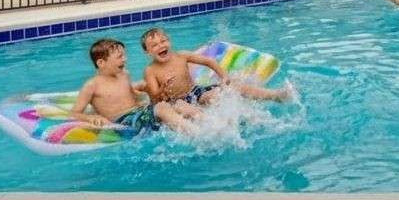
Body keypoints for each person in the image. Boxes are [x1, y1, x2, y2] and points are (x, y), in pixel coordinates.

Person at [69, 38, 198, 135]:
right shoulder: (92, 85)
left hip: (139, 113)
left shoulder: (124, 74)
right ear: (101, 63)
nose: (125, 59)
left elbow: (131, 95)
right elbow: (74, 114)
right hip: (125, 122)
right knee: (162, 107)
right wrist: (92, 117)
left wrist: (148, 91)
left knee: (179, 104)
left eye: (124, 55)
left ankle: (209, 124)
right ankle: (195, 134)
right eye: (120, 57)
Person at [140, 29, 293, 107]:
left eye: (163, 41)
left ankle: (275, 96)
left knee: (234, 87)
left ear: (169, 41)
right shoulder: (151, 71)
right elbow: (154, 96)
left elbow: (209, 62)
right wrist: (163, 89)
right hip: (178, 102)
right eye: (154, 45)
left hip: (195, 91)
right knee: (216, 98)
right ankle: (241, 117)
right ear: (147, 52)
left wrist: (224, 76)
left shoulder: (181, 56)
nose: (161, 46)